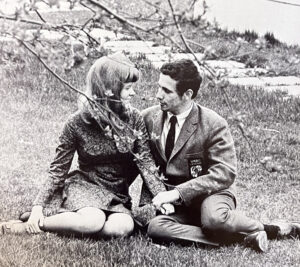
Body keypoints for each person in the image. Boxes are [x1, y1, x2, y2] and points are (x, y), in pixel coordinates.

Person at [0, 53, 174, 238]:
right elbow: (58, 169)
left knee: (119, 229)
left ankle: (68, 221)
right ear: (111, 89)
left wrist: (162, 197)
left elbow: (145, 163)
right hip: (85, 186)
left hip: (117, 193)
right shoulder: (76, 122)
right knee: (92, 221)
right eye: (128, 88)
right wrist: (37, 207)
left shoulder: (134, 119)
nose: (133, 93)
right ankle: (33, 224)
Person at [142, 59, 300, 252]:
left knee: (213, 220)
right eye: (159, 87)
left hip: (211, 193)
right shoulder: (148, 118)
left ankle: (271, 229)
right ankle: (242, 239)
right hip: (174, 203)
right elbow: (138, 160)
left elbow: (224, 173)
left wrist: (177, 192)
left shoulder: (213, 123)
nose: (158, 95)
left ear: (187, 94)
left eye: (166, 91)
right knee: (155, 227)